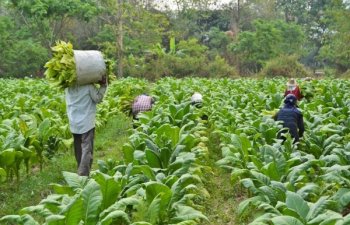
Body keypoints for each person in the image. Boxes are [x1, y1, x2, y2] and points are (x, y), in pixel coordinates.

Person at [65, 76, 107, 176]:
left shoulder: (68, 87)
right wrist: (103, 86)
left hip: (74, 122)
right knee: (87, 149)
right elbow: (98, 98)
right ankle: (83, 175)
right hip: (86, 122)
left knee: (78, 148)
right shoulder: (88, 86)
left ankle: (81, 168)